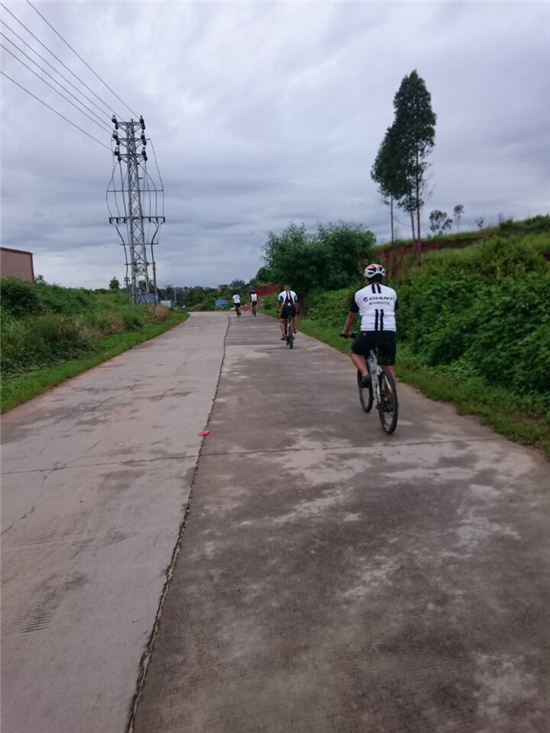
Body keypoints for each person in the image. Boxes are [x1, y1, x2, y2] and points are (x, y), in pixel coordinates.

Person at [342, 264, 397, 383]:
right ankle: (392, 392)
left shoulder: (359, 293)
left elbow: (352, 315)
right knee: (389, 367)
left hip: (369, 331)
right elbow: (394, 312)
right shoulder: (392, 292)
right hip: (389, 331)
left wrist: (346, 331)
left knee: (355, 352)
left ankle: (365, 374)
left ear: (366, 278)